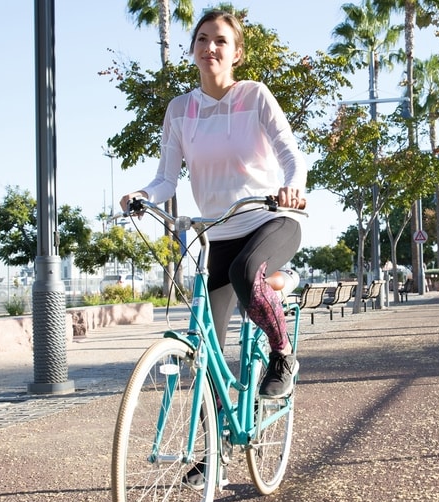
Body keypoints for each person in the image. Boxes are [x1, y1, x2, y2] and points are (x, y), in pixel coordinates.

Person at [120, 9, 307, 399]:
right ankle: (211, 456)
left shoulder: (255, 96)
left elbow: (292, 156)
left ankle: (283, 354)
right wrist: (143, 195)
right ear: (192, 50)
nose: (211, 47)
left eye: (221, 40)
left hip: (270, 219)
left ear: (236, 53)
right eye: (203, 39)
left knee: (245, 272)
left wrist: (292, 187)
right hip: (216, 233)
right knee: (208, 349)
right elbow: (165, 179)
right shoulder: (180, 110)